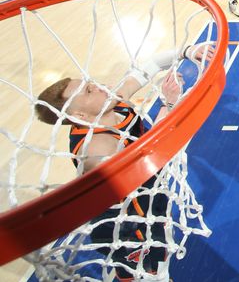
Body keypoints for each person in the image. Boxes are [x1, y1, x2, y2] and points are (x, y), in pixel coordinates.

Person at [35, 44, 213, 282]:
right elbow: (147, 160)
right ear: (79, 116)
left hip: (147, 198)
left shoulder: (113, 101)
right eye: (89, 91)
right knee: (148, 272)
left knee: (160, 256)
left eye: (90, 82)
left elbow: (150, 66)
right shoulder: (95, 149)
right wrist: (168, 104)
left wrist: (188, 51)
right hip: (126, 222)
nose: (98, 86)